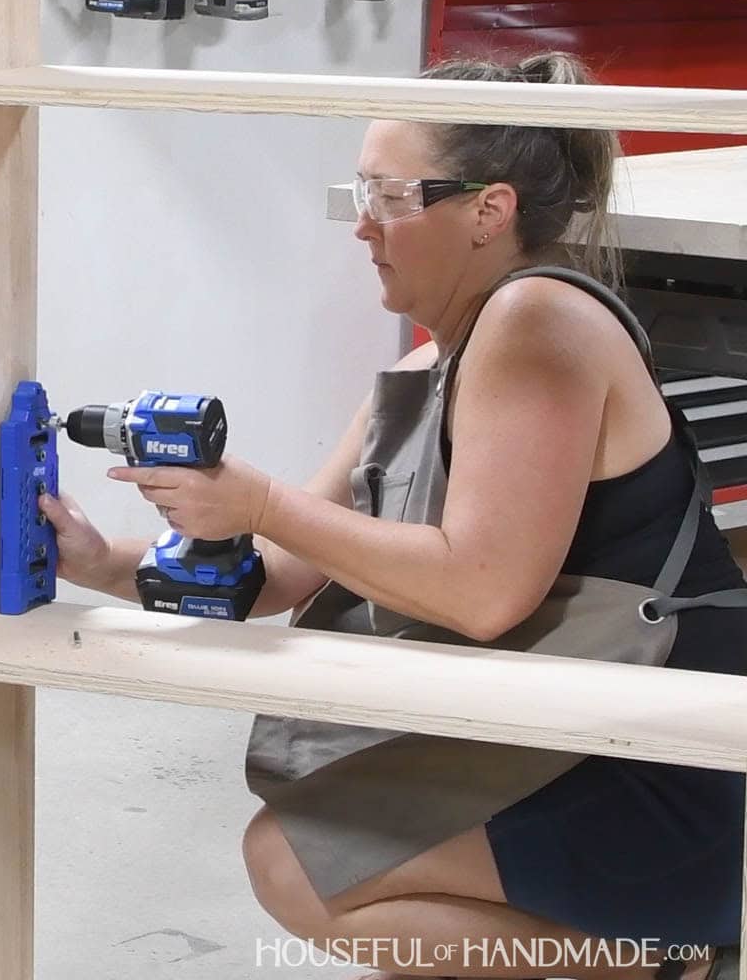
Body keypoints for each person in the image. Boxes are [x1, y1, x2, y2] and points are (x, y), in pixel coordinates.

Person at [39, 53, 747, 980]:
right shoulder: (427, 366)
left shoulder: (542, 322)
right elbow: (279, 574)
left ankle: (665, 962)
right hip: (548, 723)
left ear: (489, 211)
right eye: (361, 190)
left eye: (391, 196)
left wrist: (259, 501)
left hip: (650, 749)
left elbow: (486, 593)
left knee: (299, 866)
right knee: (299, 858)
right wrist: (97, 561)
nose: (362, 225)